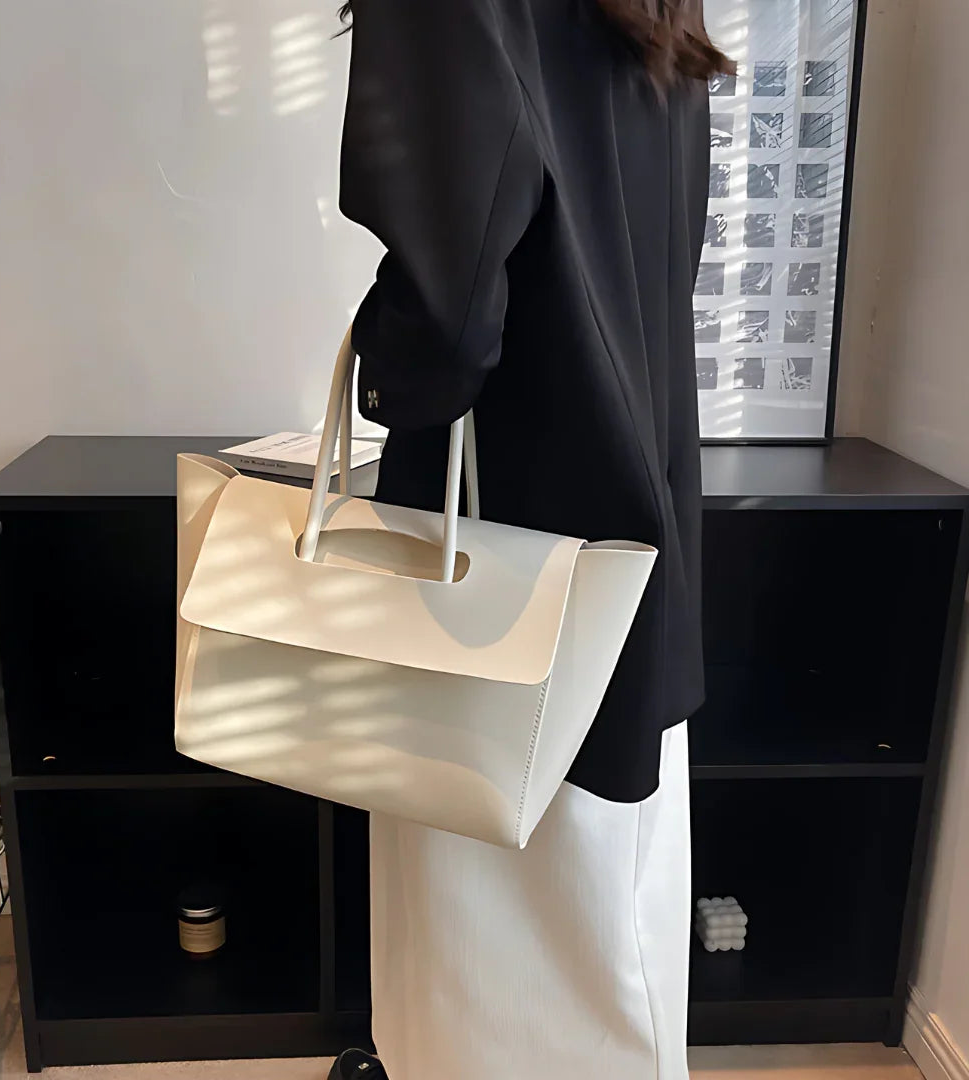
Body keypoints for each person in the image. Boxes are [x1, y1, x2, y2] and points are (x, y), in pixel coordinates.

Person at [330, 0, 733, 1077]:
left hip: (497, 569)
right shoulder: (658, 12)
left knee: (475, 965)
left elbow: (449, 311)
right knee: (609, 950)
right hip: (630, 550)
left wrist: (389, 358)